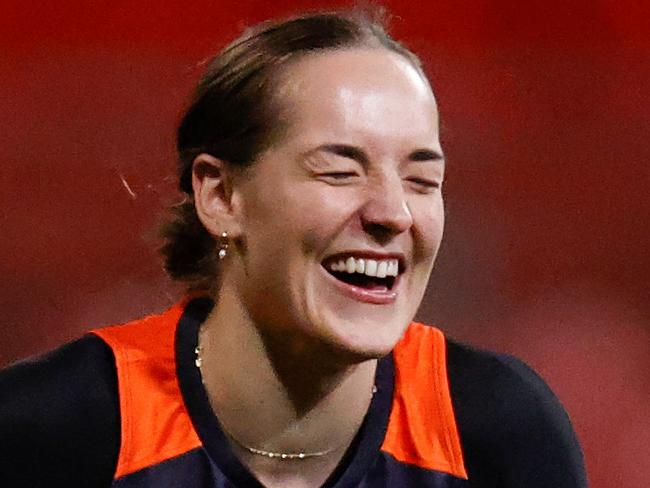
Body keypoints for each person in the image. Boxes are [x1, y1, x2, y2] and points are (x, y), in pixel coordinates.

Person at [0, 10, 588, 488]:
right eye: (338, 171)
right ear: (221, 196)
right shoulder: (54, 430)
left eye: (422, 180)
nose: (393, 213)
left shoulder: (494, 431)